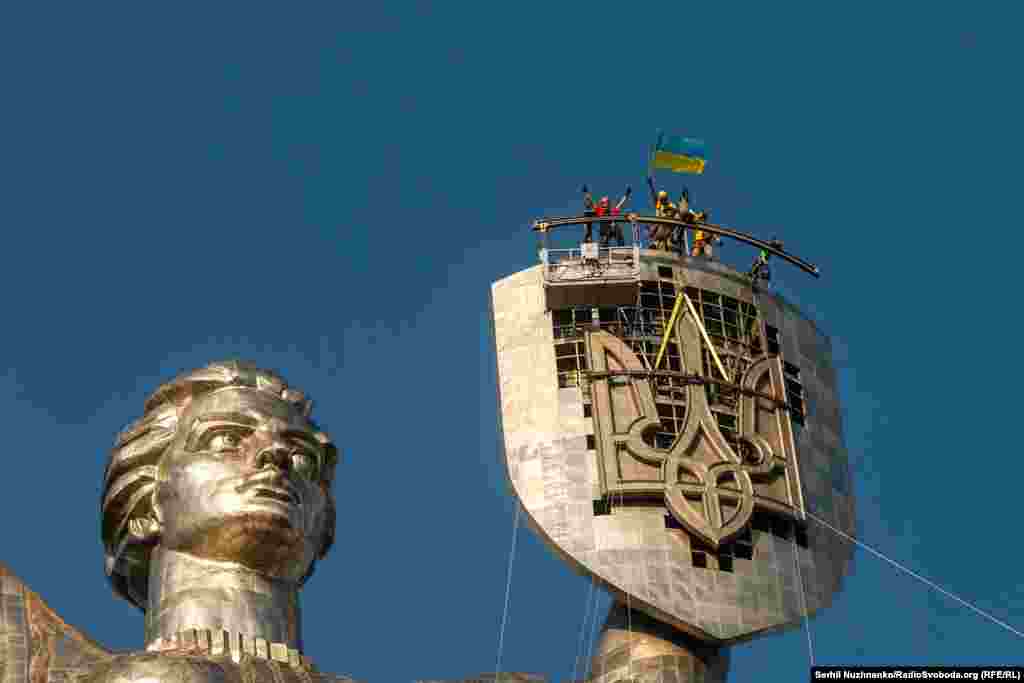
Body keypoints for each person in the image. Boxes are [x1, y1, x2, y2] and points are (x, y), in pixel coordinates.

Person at [646, 176, 679, 251]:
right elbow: (654, 196)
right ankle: (656, 244)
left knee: (665, 239)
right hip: (659, 225)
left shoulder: (671, 205)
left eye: (663, 199)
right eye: (661, 199)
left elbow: (676, 211)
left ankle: (669, 244)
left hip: (668, 226)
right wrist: (651, 185)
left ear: (666, 198)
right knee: (658, 239)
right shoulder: (659, 204)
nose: (661, 200)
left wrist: (669, 211)